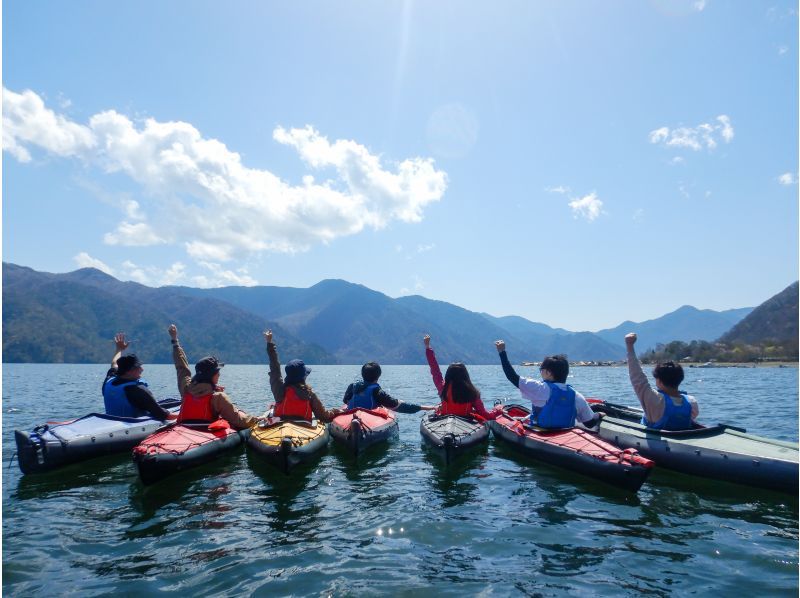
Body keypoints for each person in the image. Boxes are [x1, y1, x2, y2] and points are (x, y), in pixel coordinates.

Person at [495, 339, 601, 429]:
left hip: (539, 432)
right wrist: (600, 415)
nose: (540, 372)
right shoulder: (577, 396)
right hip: (565, 434)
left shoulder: (539, 388)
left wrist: (502, 352)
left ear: (548, 373)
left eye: (541, 369)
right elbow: (589, 423)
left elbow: (512, 376)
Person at [169, 324, 257, 429]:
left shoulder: (186, 389)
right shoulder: (218, 398)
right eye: (217, 372)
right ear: (210, 375)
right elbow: (239, 421)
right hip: (205, 435)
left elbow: (182, 369)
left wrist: (175, 341)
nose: (219, 374)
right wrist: (257, 419)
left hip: (184, 430)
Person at [624, 333, 698, 430]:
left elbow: (637, 377)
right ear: (680, 379)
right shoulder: (692, 402)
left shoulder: (655, 400)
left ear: (660, 381)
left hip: (656, 442)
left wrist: (630, 346)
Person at [265, 330, 341, 422]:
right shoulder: (309, 394)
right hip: (303, 430)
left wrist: (269, 343)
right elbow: (323, 416)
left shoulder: (280, 391)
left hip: (280, 427)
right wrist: (335, 412)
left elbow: (275, 369)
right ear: (303, 377)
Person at [102, 332, 177, 420]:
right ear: (128, 372)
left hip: (111, 421)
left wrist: (119, 349)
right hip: (132, 427)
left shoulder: (111, 378)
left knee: (171, 401)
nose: (142, 369)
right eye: (138, 367)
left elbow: (114, 363)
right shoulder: (137, 390)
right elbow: (163, 415)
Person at [424, 334, 500, 420]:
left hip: (444, 421)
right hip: (467, 423)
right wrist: (498, 410)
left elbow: (435, 370)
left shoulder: (442, 387)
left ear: (448, 375)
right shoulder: (472, 392)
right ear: (465, 376)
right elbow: (484, 414)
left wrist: (428, 347)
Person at [343, 359, 436, 414]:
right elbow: (397, 405)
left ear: (362, 374)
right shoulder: (377, 391)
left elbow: (345, 401)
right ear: (378, 376)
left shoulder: (352, 386)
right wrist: (426, 407)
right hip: (368, 420)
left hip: (351, 417)